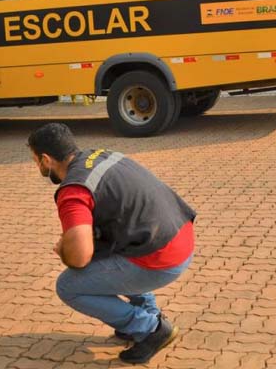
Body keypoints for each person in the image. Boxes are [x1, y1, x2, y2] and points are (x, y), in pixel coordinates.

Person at [28, 122, 195, 365]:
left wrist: (64, 249)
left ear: (45, 159)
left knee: (68, 286)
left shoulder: (74, 190)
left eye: (35, 161)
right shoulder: (101, 155)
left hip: (162, 257)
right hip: (179, 235)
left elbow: (79, 257)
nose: (38, 167)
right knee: (103, 254)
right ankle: (148, 311)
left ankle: (150, 328)